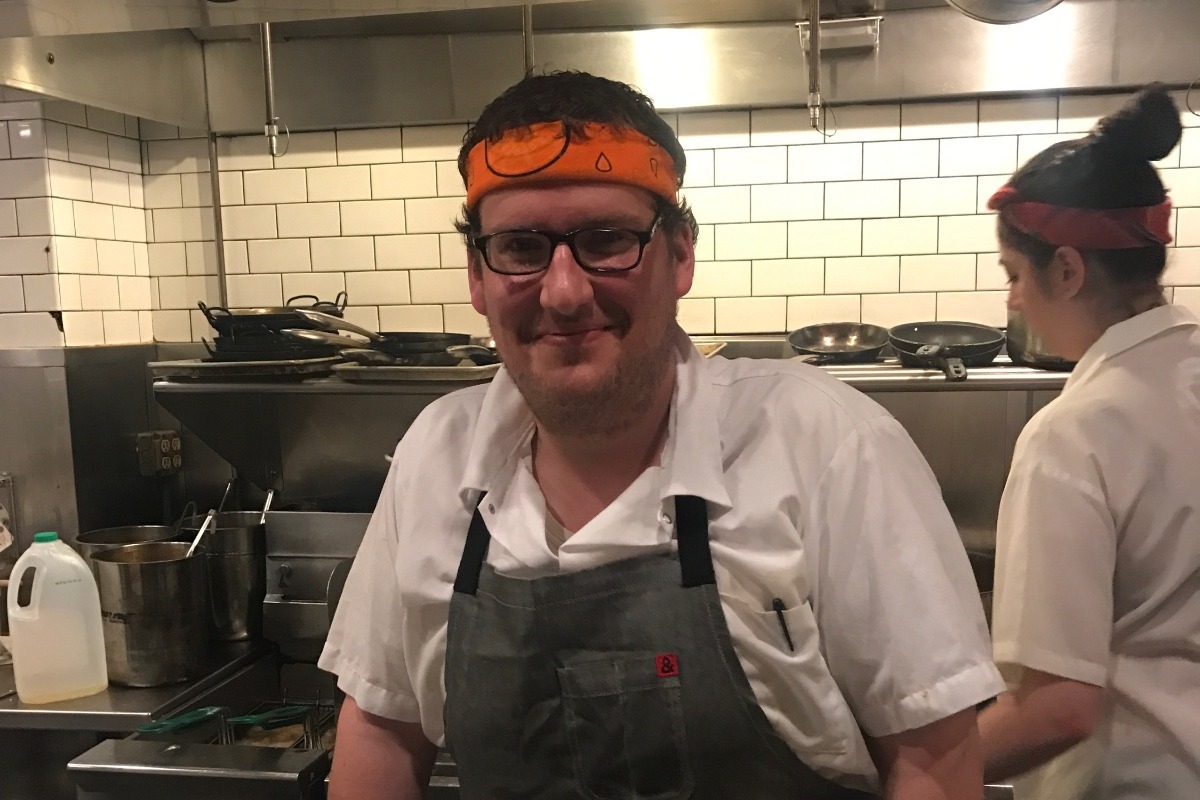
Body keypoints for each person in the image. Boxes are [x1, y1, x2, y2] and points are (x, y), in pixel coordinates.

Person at [319, 70, 1002, 800]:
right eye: (520, 247)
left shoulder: (828, 445)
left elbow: (935, 762)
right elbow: (382, 732)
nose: (564, 291)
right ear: (477, 277)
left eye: (607, 240)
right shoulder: (434, 455)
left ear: (680, 255)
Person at [978, 86, 1200, 799]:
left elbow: (1057, 709)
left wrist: (900, 776)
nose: (1013, 299)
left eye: (1015, 274)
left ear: (1068, 270)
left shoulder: (1074, 434)